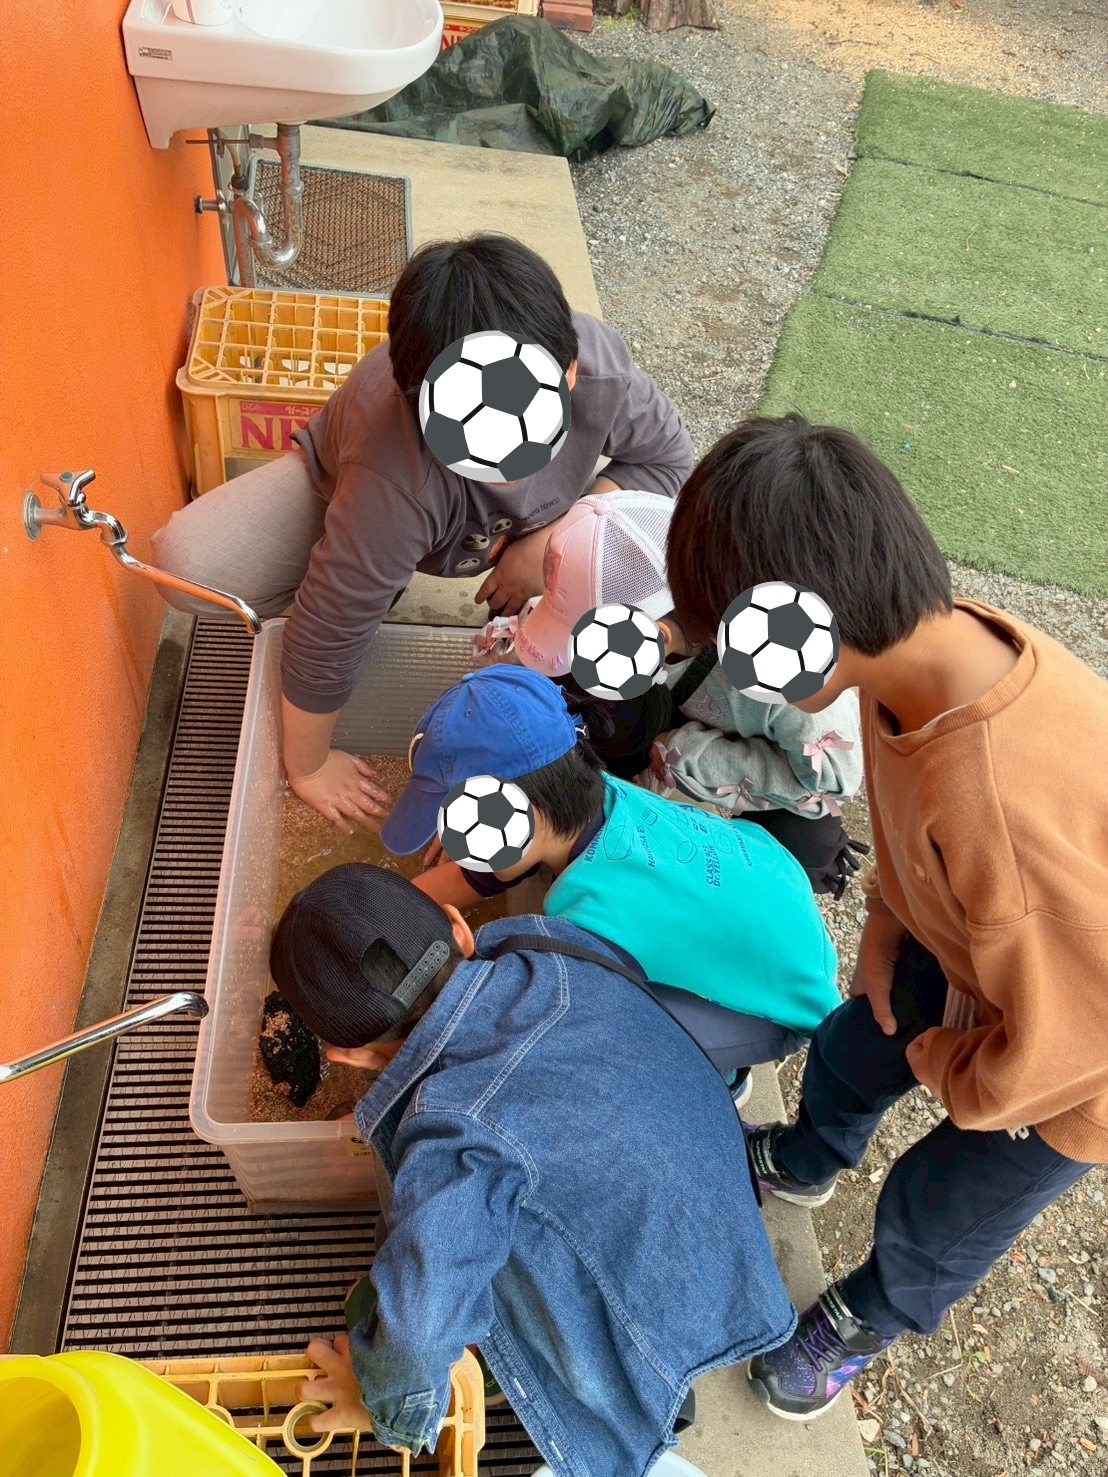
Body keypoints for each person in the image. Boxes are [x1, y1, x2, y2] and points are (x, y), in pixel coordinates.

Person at [664, 412, 1108, 1420]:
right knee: (849, 1049)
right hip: (973, 946)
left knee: (945, 1208)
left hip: (1073, 1060)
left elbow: (1072, 1040)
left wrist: (951, 1066)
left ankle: (868, 1313)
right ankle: (807, 1156)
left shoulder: (998, 807)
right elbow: (908, 828)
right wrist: (882, 930)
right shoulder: (908, 654)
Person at [268, 863, 797, 1477]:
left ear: (349, 1056)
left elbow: (415, 1337)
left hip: (656, 1299)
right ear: (459, 927)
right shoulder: (547, 942)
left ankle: (634, 1384)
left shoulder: (457, 1133)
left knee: (422, 1290)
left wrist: (382, 1403)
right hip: (719, 1208)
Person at [151, 234, 692, 834]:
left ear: (569, 374)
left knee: (636, 545)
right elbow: (329, 629)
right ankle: (374, 565)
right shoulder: (391, 467)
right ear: (414, 400)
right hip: (359, 492)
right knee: (188, 568)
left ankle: (411, 575)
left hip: (498, 528)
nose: (504, 466)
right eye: (474, 447)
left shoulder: (602, 372)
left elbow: (667, 464)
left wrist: (552, 543)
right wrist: (308, 765)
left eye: (526, 435)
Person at [379, 666, 842, 1096]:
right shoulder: (605, 792)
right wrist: (376, 910)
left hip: (777, 1008)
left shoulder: (583, 915)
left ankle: (716, 1078)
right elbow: (478, 876)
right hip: (775, 896)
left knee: (589, 1046)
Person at [497, 488, 866, 897]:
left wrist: (687, 753)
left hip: (754, 751)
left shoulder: (783, 668)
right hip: (675, 695)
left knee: (807, 849)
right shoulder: (649, 617)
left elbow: (832, 778)